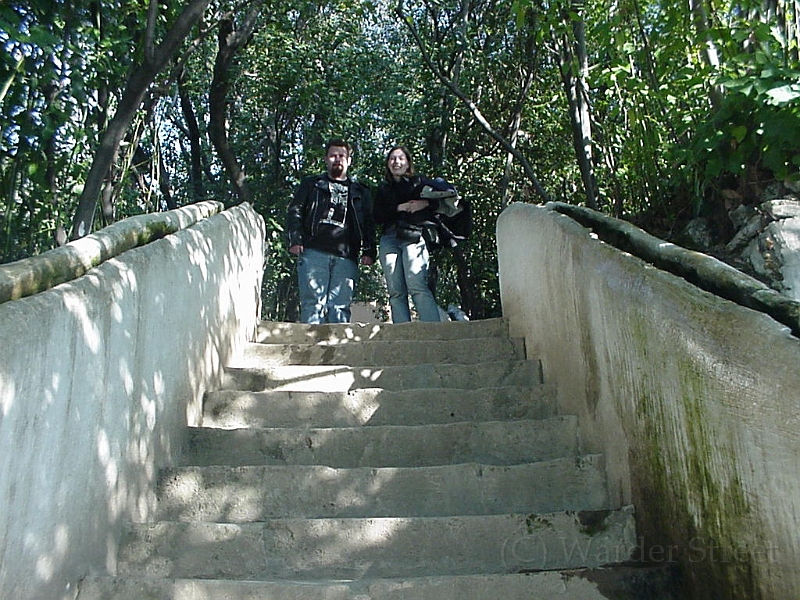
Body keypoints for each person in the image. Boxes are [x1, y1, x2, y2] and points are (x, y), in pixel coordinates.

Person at [286, 139, 376, 323]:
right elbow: (295, 210)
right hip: (313, 251)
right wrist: (295, 239)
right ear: (326, 159)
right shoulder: (312, 184)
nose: (337, 159)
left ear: (349, 161)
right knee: (313, 304)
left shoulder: (360, 191)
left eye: (342, 156)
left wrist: (369, 250)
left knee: (340, 306)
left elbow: (368, 222)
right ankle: (311, 349)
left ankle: (338, 350)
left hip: (346, 255)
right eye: (333, 155)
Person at [372, 145, 441, 323]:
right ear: (388, 164)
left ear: (408, 162)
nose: (396, 162)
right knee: (395, 290)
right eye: (392, 159)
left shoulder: (419, 182)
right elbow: (377, 216)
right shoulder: (383, 189)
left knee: (416, 284)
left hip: (413, 236)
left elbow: (440, 201)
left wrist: (424, 203)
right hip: (389, 238)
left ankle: (434, 331)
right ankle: (402, 331)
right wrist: (398, 208)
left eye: (400, 158)